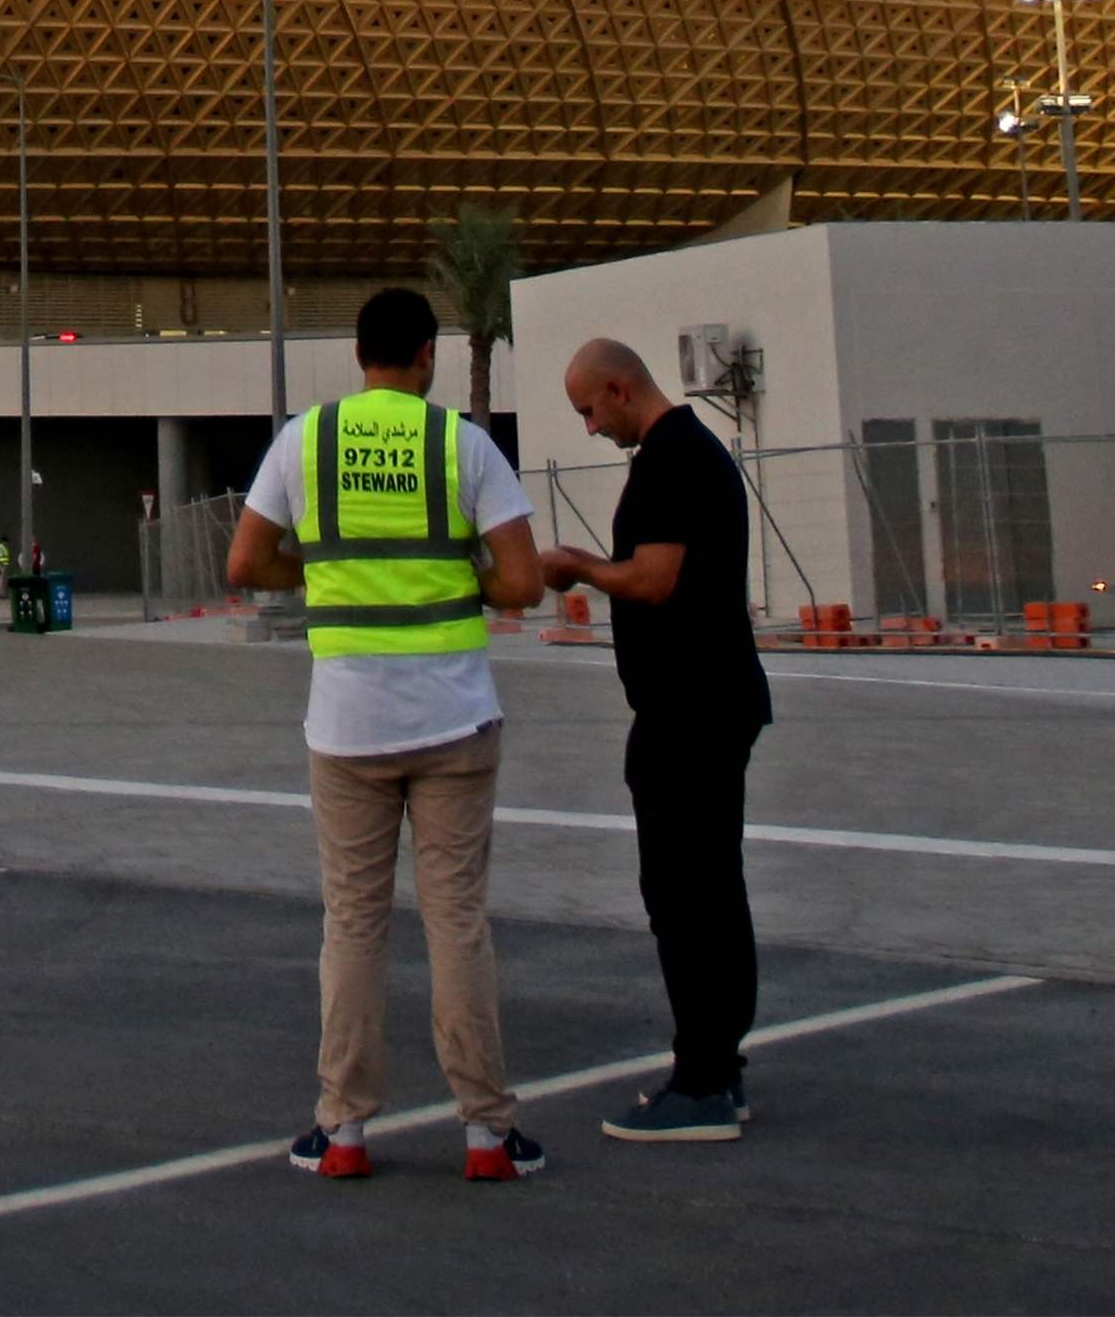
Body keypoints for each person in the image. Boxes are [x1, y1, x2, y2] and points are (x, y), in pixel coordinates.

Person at [223, 287, 552, 1185]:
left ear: (359, 354)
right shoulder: (461, 443)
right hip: (453, 717)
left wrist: (323, 573)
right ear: (428, 357)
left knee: (355, 925)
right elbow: (521, 583)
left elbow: (245, 562)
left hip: (347, 725)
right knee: (457, 923)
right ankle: (487, 1132)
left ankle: (343, 1130)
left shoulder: (306, 440)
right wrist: (462, 576)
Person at [540, 336, 771, 1143]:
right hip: (704, 703)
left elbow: (654, 577)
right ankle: (719, 1065)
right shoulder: (686, 451)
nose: (590, 428)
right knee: (709, 884)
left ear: (616, 388)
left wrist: (578, 565)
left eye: (587, 410)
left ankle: (702, 1079)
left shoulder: (675, 457)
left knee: (685, 894)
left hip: (691, 711)